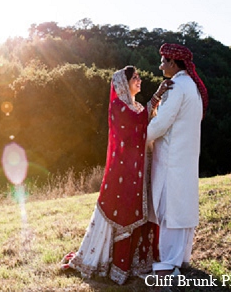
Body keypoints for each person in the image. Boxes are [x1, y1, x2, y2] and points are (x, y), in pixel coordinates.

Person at [61, 66, 172, 284]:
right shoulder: (118, 107)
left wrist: (157, 97)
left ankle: (135, 262)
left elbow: (143, 117)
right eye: (135, 78)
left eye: (139, 76)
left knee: (144, 210)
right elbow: (136, 126)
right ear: (124, 83)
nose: (139, 80)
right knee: (123, 212)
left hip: (140, 171)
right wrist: (157, 96)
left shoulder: (137, 106)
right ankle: (115, 264)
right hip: (124, 174)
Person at [146, 43, 209, 277]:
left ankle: (167, 263)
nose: (160, 65)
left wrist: (138, 138)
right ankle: (179, 258)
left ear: (173, 63)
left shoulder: (175, 87)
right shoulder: (191, 86)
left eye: (163, 61)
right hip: (186, 158)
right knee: (182, 207)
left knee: (169, 209)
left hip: (171, 159)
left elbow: (161, 124)